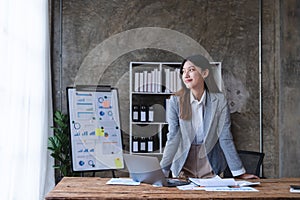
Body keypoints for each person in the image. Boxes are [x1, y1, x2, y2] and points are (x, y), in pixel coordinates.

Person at [160, 54, 258, 179]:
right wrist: (162, 171)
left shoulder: (220, 101)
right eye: (183, 71)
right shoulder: (175, 101)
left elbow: (225, 137)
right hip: (183, 165)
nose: (186, 75)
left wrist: (239, 172)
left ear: (205, 73)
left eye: (191, 70)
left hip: (210, 164)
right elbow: (173, 137)